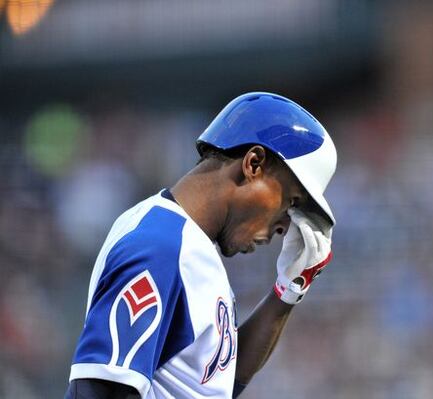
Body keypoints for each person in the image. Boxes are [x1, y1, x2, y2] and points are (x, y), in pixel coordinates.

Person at [65, 92, 337, 399]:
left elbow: (214, 383)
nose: (284, 226)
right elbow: (100, 389)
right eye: (290, 202)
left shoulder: (189, 246)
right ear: (254, 164)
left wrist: (287, 290)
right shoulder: (159, 244)